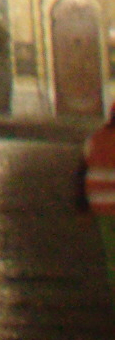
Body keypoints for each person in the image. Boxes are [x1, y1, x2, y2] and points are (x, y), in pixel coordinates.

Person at [77, 111, 115, 306]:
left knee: (112, 254)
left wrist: (82, 207)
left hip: (101, 205)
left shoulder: (95, 139)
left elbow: (82, 172)